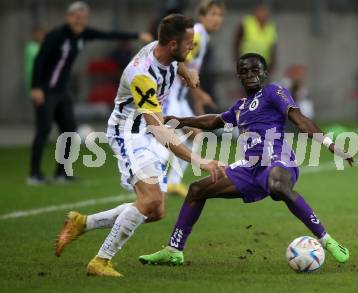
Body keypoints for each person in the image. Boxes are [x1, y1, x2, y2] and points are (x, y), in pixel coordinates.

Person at [138, 53, 353, 266]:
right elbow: (213, 121)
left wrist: (330, 145)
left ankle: (327, 240)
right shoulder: (240, 106)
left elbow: (301, 121)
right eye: (244, 71)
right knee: (196, 190)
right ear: (238, 76)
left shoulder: (273, 92)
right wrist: (172, 120)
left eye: (255, 70)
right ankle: (174, 250)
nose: (250, 74)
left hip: (277, 159)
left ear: (265, 73)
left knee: (278, 186)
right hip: (250, 168)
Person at [54, 14, 224, 277]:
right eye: (189, 43)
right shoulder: (142, 75)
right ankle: (100, 261)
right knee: (151, 199)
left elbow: (172, 37)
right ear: (171, 44)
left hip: (145, 130)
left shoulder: (166, 52)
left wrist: (185, 69)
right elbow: (160, 131)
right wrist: (199, 161)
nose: (192, 47)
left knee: (155, 211)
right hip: (129, 134)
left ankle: (82, 223)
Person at [28, 1, 153, 185]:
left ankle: (62, 173)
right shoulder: (56, 36)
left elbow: (108, 35)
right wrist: (36, 87)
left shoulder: (83, 34)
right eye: (76, 17)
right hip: (46, 91)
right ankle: (34, 174)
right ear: (69, 17)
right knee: (44, 130)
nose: (80, 21)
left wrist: (137, 35)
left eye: (83, 18)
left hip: (63, 92)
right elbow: (39, 60)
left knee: (69, 130)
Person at [165, 0, 225, 197]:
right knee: (167, 138)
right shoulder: (197, 35)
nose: (217, 19)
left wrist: (198, 101)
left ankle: (172, 183)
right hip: (170, 95)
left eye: (220, 15)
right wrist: (200, 93)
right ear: (202, 16)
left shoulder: (202, 36)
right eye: (213, 14)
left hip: (180, 97)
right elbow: (183, 63)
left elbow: (191, 71)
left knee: (194, 134)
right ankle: (157, 181)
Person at [234, 3, 277, 74]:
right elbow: (236, 42)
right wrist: (237, 60)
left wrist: (272, 66)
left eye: (265, 12)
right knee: (247, 83)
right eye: (261, 12)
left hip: (263, 65)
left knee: (261, 84)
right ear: (255, 12)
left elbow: (273, 48)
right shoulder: (247, 23)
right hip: (246, 64)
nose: (263, 15)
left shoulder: (270, 27)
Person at [24, 25, 46, 94]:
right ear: (33, 34)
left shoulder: (41, 46)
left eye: (42, 34)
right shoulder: (30, 47)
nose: (40, 36)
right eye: (38, 34)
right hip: (34, 79)